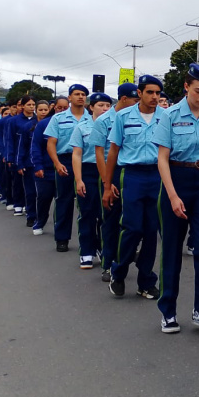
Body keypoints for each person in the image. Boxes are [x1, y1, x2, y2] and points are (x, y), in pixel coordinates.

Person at [153, 64, 199, 333]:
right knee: (172, 250)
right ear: (186, 87)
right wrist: (172, 196)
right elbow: (162, 158)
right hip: (176, 179)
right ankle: (168, 311)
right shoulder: (169, 115)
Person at [103, 75, 165, 300]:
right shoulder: (123, 117)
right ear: (139, 93)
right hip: (132, 176)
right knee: (132, 228)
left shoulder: (166, 117)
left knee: (151, 232)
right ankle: (118, 273)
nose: (155, 97)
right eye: (150, 92)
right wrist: (107, 186)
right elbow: (113, 152)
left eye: (158, 93)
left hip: (158, 176)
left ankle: (146, 281)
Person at [90, 83, 140, 282]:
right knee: (110, 220)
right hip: (112, 171)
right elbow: (100, 153)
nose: (138, 104)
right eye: (135, 100)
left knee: (132, 223)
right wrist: (107, 183)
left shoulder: (137, 117)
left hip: (132, 173)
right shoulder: (104, 121)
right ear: (123, 99)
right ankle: (108, 263)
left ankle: (124, 259)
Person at [45, 86, 88, 252]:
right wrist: (57, 163)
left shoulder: (92, 119)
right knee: (64, 200)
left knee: (87, 203)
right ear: (70, 97)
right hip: (65, 161)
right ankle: (62, 238)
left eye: (83, 94)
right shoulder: (58, 118)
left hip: (86, 162)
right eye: (77, 94)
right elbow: (51, 143)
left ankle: (89, 241)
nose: (80, 97)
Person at [72, 93, 112, 270]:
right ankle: (86, 251)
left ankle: (105, 249)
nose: (104, 109)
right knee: (87, 212)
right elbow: (77, 154)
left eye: (107, 106)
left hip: (109, 171)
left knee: (106, 213)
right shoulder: (81, 127)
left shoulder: (115, 125)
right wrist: (79, 179)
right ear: (91, 107)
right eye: (101, 105)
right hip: (88, 171)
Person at [31, 98, 68, 236]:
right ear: (54, 108)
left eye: (65, 108)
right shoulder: (44, 124)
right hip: (46, 170)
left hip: (64, 170)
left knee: (62, 201)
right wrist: (38, 166)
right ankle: (40, 221)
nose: (62, 111)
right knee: (44, 197)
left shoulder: (73, 124)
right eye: (59, 108)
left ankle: (60, 227)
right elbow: (35, 146)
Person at [18, 101, 50, 229]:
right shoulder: (28, 126)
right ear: (36, 110)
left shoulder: (51, 125)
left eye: (45, 110)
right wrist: (19, 163)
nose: (43, 112)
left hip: (46, 165)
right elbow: (22, 146)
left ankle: (41, 217)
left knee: (43, 195)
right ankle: (31, 215)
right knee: (31, 192)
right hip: (29, 164)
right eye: (40, 110)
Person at [7, 96, 37, 217]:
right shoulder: (14, 121)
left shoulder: (37, 120)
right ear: (23, 106)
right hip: (18, 153)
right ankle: (18, 204)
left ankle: (28, 205)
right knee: (18, 180)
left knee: (31, 184)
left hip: (32, 155)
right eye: (29, 104)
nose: (31, 107)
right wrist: (10, 156)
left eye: (33, 104)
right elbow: (10, 139)